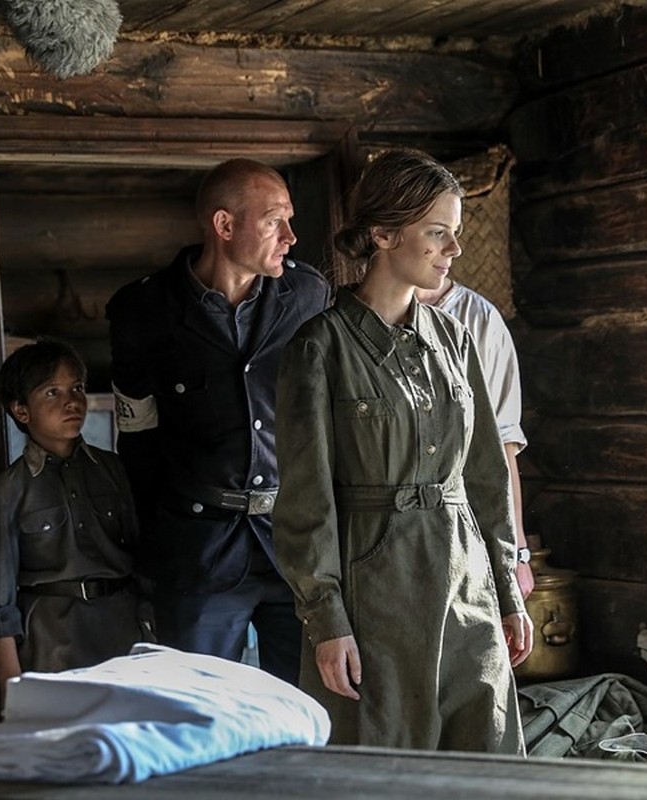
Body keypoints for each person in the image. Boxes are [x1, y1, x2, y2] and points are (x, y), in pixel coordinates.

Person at [272, 148, 533, 752]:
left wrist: (506, 590)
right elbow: (306, 504)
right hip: (375, 594)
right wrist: (327, 620)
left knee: (488, 766)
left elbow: (486, 477)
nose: (454, 249)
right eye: (438, 233)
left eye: (456, 233)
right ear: (384, 235)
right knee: (384, 767)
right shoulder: (320, 348)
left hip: (467, 588)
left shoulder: (456, 340)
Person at [105, 159, 331, 686]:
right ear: (224, 225)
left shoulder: (309, 296)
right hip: (197, 553)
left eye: (290, 220)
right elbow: (137, 437)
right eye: (274, 221)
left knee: (304, 710)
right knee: (202, 707)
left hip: (296, 550)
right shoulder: (143, 310)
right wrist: (158, 546)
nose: (291, 237)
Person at [0, 338, 146, 705]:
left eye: (77, 388)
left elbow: (144, 562)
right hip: (50, 644)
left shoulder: (114, 470)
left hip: (123, 635)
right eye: (52, 392)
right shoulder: (7, 492)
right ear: (21, 411)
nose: (72, 402)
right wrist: (13, 692)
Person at [415, 278, 535, 598]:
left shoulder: (479, 319)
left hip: (468, 525)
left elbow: (503, 444)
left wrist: (517, 552)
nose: (453, 252)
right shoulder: (361, 317)